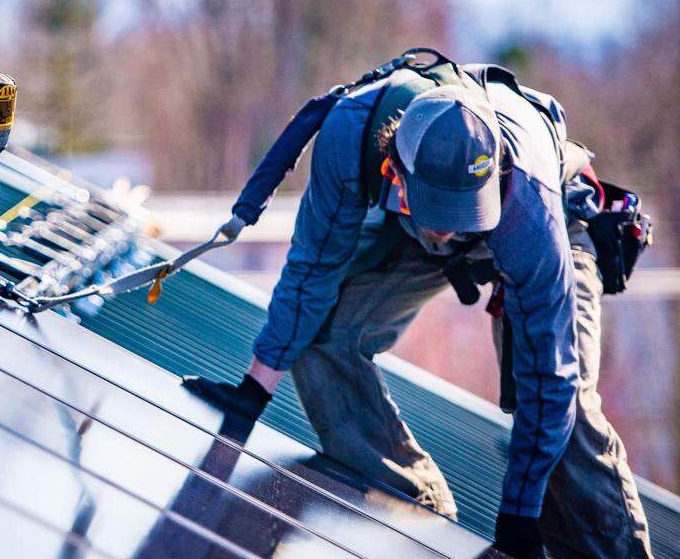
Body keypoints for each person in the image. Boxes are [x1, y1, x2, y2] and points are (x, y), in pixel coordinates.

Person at [183, 59, 652, 558]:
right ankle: (415, 512)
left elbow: (549, 379)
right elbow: (310, 272)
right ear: (395, 172)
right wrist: (252, 394)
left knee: (568, 418)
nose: (450, 228)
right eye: (441, 215)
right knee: (321, 335)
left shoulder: (527, 201)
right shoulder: (351, 136)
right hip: (410, 232)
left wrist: (518, 519)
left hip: (549, 225)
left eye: (461, 216)